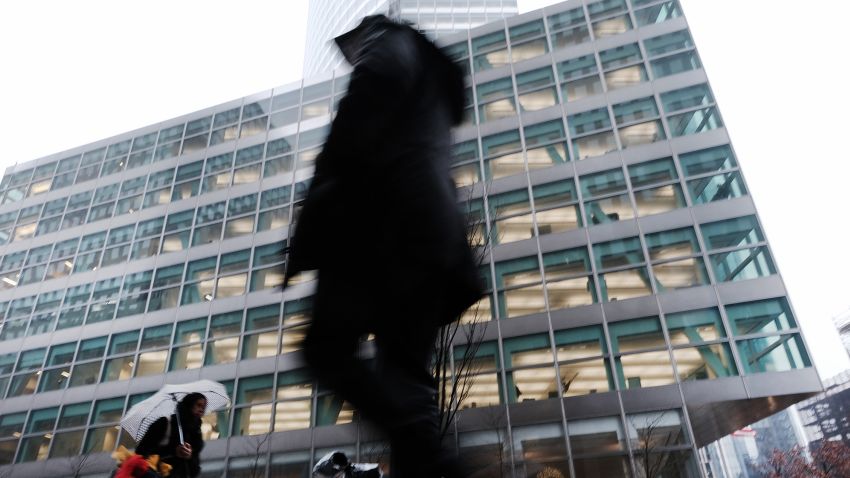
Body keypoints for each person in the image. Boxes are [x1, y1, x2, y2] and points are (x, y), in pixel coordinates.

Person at [285, 14, 481, 478]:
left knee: (324, 350)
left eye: (351, 52)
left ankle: (426, 452)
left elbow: (360, 114)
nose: (352, 59)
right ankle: (429, 464)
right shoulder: (435, 88)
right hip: (433, 236)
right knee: (406, 373)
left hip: (378, 225)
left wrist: (314, 215)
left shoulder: (388, 41)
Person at [135, 393, 207, 478]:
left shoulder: (195, 432)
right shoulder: (164, 423)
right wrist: (173, 451)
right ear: (189, 405)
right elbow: (141, 452)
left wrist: (190, 456)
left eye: (204, 407)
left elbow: (194, 468)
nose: (201, 410)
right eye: (198, 405)